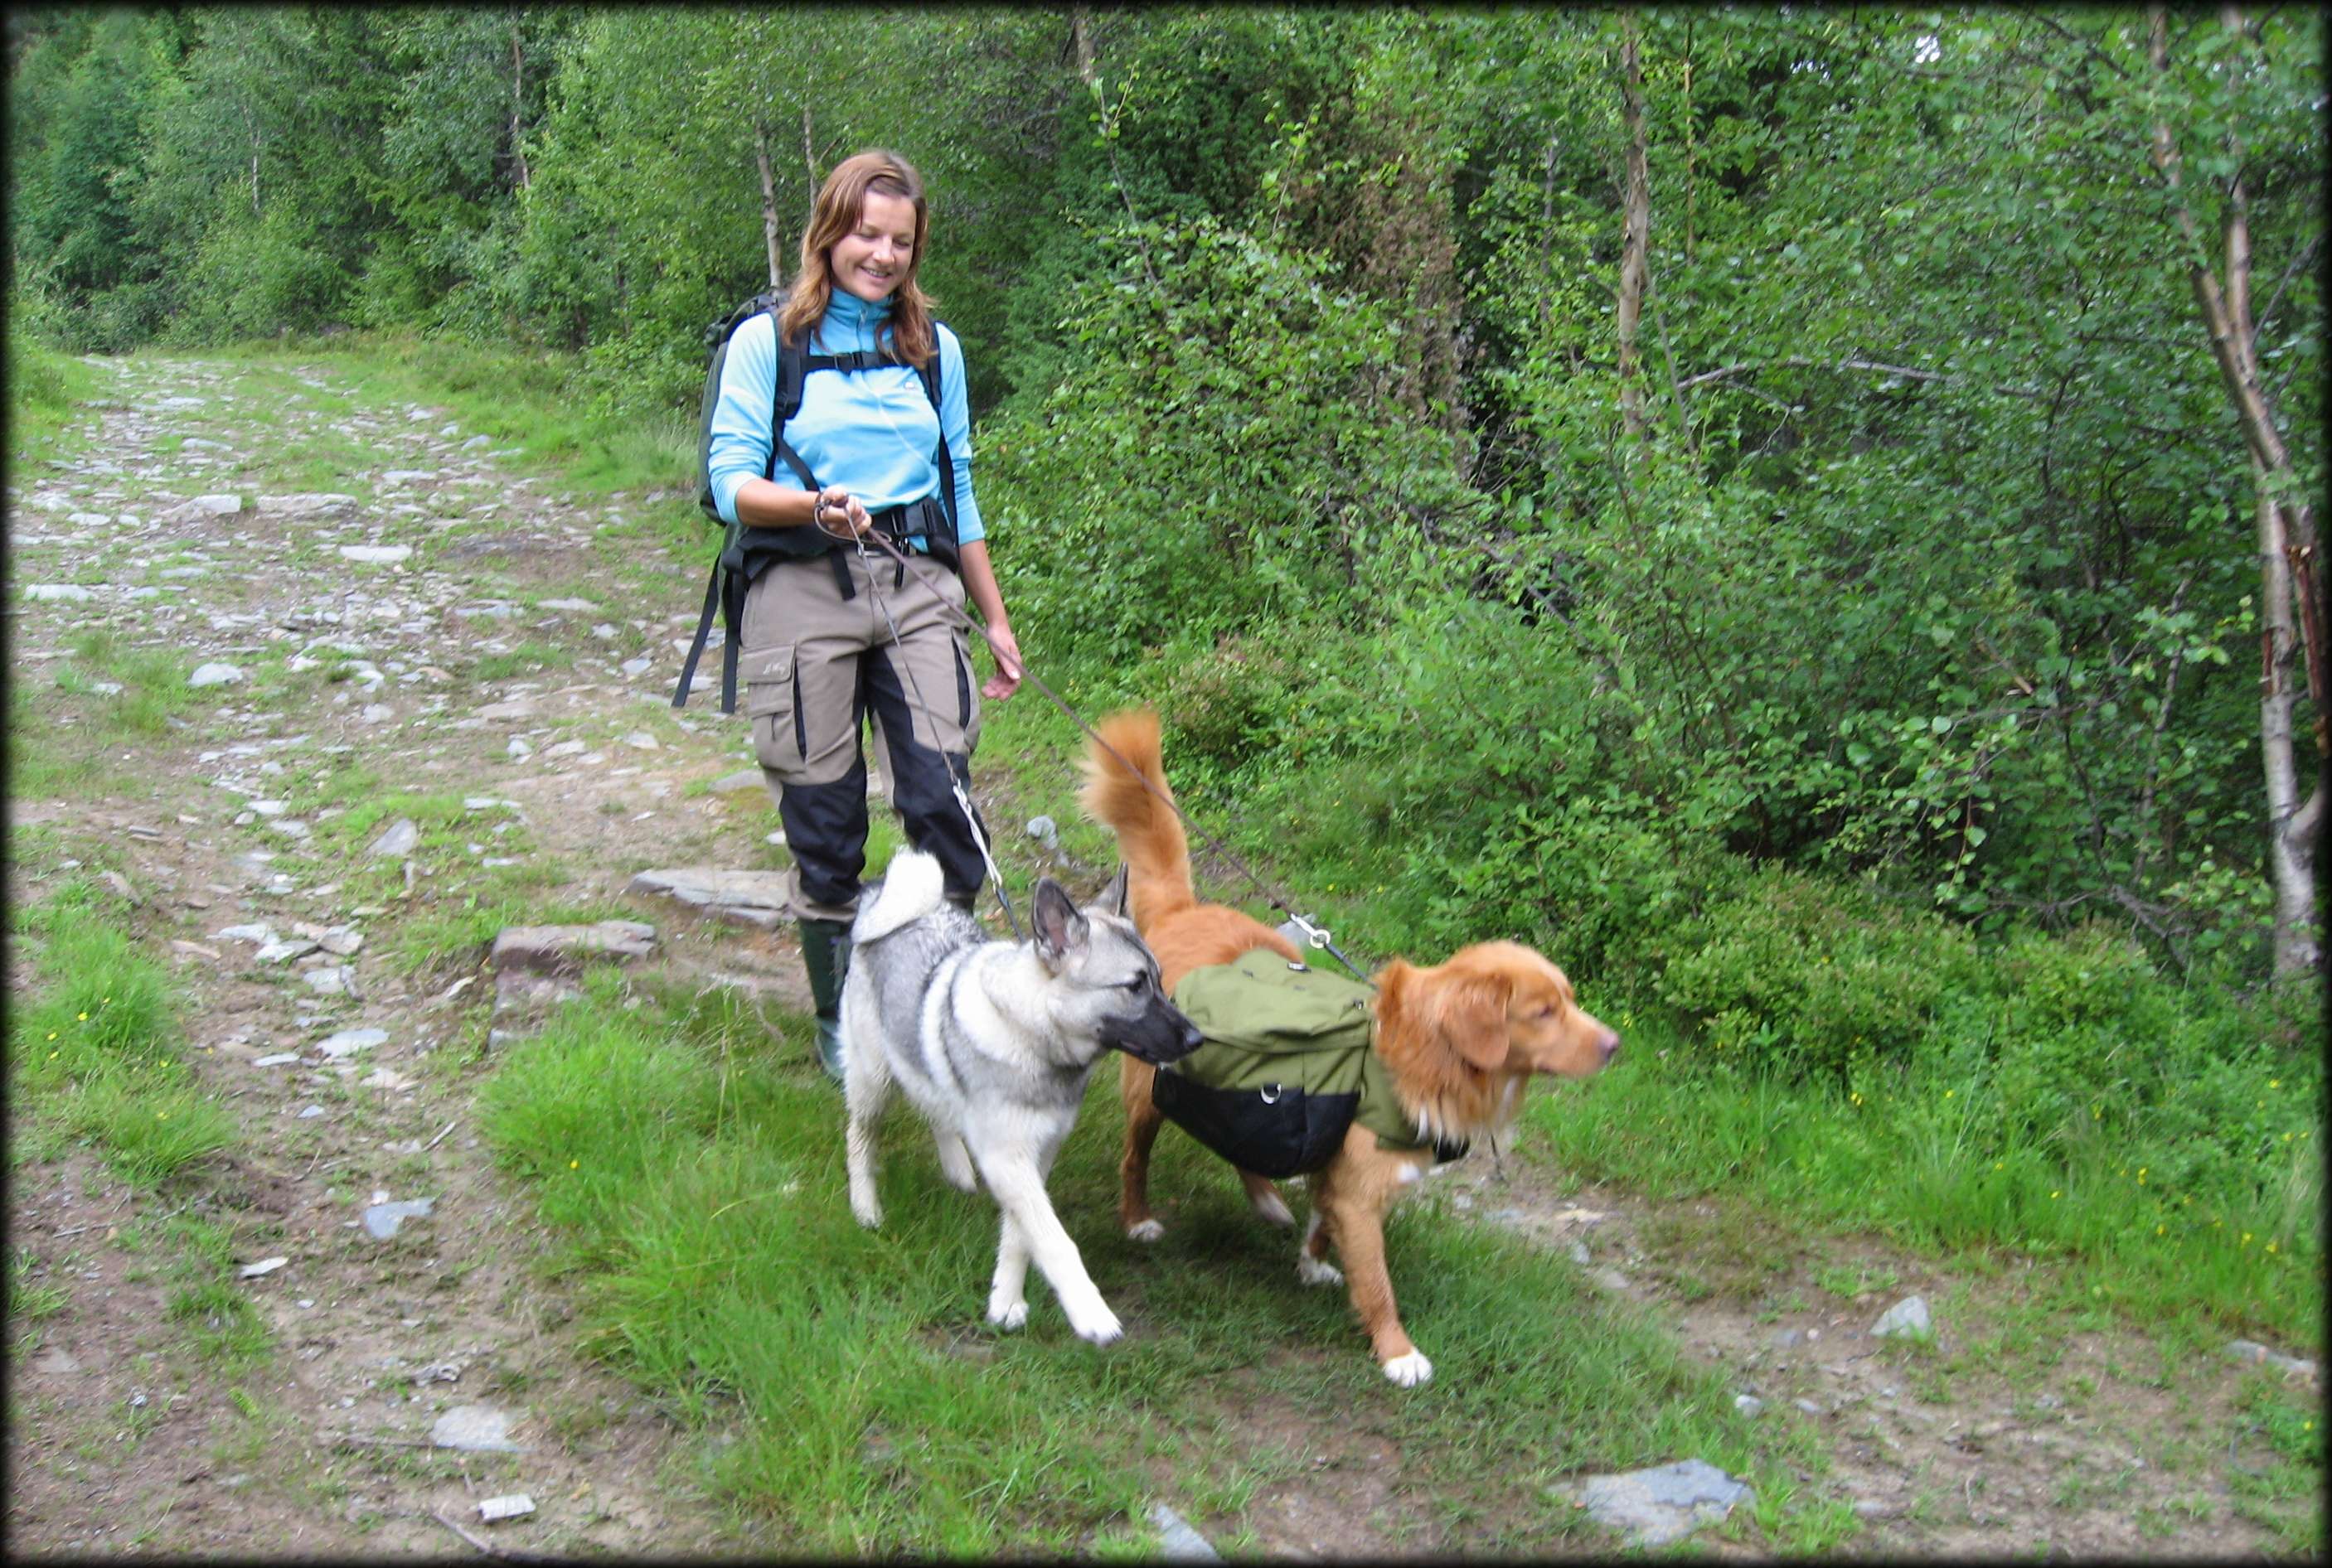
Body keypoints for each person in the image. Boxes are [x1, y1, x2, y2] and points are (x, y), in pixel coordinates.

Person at [705, 148, 1022, 1081]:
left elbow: (956, 485)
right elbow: (730, 484)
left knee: (945, 808)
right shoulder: (771, 343)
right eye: (864, 235)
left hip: (917, 584)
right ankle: (841, 1021)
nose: (880, 256)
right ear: (829, 231)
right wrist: (813, 505)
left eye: (899, 241)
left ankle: (936, 1001)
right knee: (825, 822)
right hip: (799, 584)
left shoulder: (935, 349)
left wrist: (993, 615)